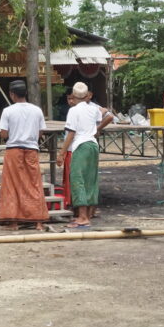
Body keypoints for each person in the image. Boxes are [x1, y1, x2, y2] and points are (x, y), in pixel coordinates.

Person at [0, 80, 49, 231]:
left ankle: (14, 222)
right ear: (25, 93)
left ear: (12, 94)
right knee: (34, 184)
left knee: (12, 185)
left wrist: (11, 138)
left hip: (13, 149)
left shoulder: (8, 111)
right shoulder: (37, 110)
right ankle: (38, 222)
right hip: (32, 149)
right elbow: (41, 132)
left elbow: (3, 133)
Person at [57, 82, 101, 228]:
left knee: (77, 179)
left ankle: (82, 217)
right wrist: (95, 130)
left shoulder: (73, 111)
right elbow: (105, 116)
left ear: (74, 96)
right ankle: (89, 214)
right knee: (91, 179)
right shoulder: (93, 109)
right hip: (93, 145)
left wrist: (62, 152)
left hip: (80, 145)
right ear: (87, 95)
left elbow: (71, 133)